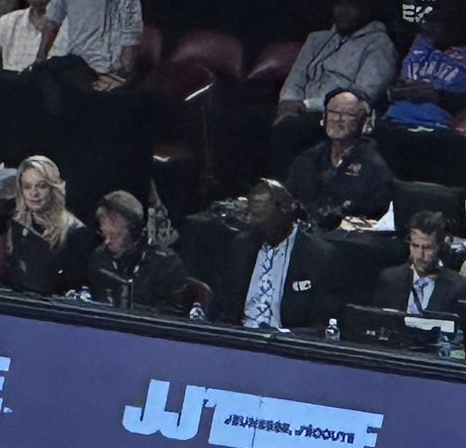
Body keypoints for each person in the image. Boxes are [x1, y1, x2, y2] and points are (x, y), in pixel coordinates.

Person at [270, 0, 396, 173]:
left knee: (289, 130)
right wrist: (287, 103)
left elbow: (362, 96)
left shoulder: (379, 45)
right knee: (251, 118)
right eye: (339, 4)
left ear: (367, 9)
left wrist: (303, 107)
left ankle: (284, 193)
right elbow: (297, 76)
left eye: (351, 6)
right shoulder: (317, 38)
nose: (343, 12)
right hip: (296, 108)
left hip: (335, 115)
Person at [214, 178, 342, 332]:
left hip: (287, 344)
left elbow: (324, 327)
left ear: (284, 213)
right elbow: (224, 310)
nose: (249, 221)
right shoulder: (242, 245)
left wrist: (281, 336)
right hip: (240, 338)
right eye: (248, 214)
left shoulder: (319, 255)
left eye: (257, 216)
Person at [284, 88, 395, 225]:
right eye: (333, 112)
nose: (338, 119)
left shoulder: (376, 168)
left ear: (365, 121)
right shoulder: (306, 160)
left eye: (348, 113)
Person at [35, 0, 141, 90]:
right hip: (75, 65)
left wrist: (123, 77)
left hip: (106, 71)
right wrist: (39, 60)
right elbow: (55, 13)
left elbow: (131, 24)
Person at [84, 190, 188, 315]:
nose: (106, 242)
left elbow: (172, 316)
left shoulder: (168, 265)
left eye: (114, 235)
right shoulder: (100, 257)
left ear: (133, 230)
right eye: (104, 234)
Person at [4, 154, 93, 295]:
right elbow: (12, 272)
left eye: (41, 186)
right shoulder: (18, 222)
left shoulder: (75, 232)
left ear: (53, 188)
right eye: (27, 187)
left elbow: (77, 287)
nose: (33, 193)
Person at [383, 3, 466, 129]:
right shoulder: (419, 41)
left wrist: (437, 96)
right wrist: (396, 90)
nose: (431, 27)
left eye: (440, 21)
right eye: (431, 20)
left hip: (440, 128)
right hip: (395, 120)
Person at [371, 211, 466, 314]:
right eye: (415, 246)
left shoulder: (461, 290)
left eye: (427, 248)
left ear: (441, 248)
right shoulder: (390, 280)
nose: (419, 255)